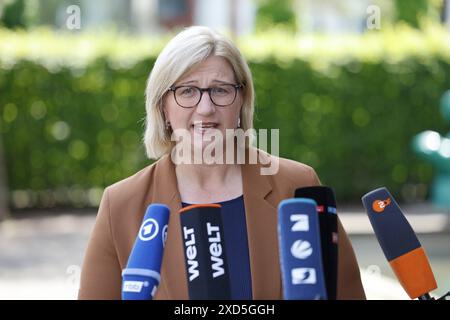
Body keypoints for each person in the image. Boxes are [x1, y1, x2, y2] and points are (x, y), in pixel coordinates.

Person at [78, 26, 366, 300]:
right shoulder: (122, 204)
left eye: (220, 90)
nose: (205, 108)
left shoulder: (298, 187)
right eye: (187, 91)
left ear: (241, 100)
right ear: (163, 106)